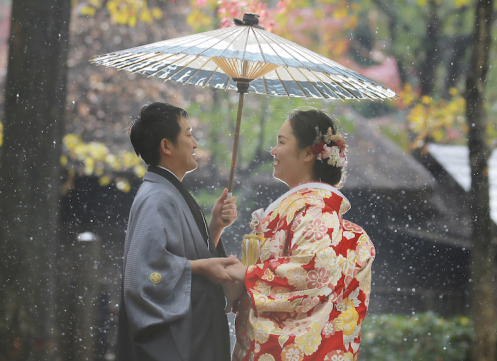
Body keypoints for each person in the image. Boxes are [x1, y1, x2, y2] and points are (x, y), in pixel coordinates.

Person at [225, 109, 375, 361]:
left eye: (281, 142)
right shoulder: (305, 207)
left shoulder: (314, 210)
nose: (273, 150)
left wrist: (248, 274)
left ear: (308, 153)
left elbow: (312, 270)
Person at [116, 102, 239, 361]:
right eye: (188, 134)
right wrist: (201, 268)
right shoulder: (157, 197)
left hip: (198, 334)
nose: (195, 143)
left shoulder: (167, 192)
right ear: (166, 146)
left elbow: (185, 255)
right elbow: (146, 275)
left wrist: (215, 226)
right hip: (183, 345)